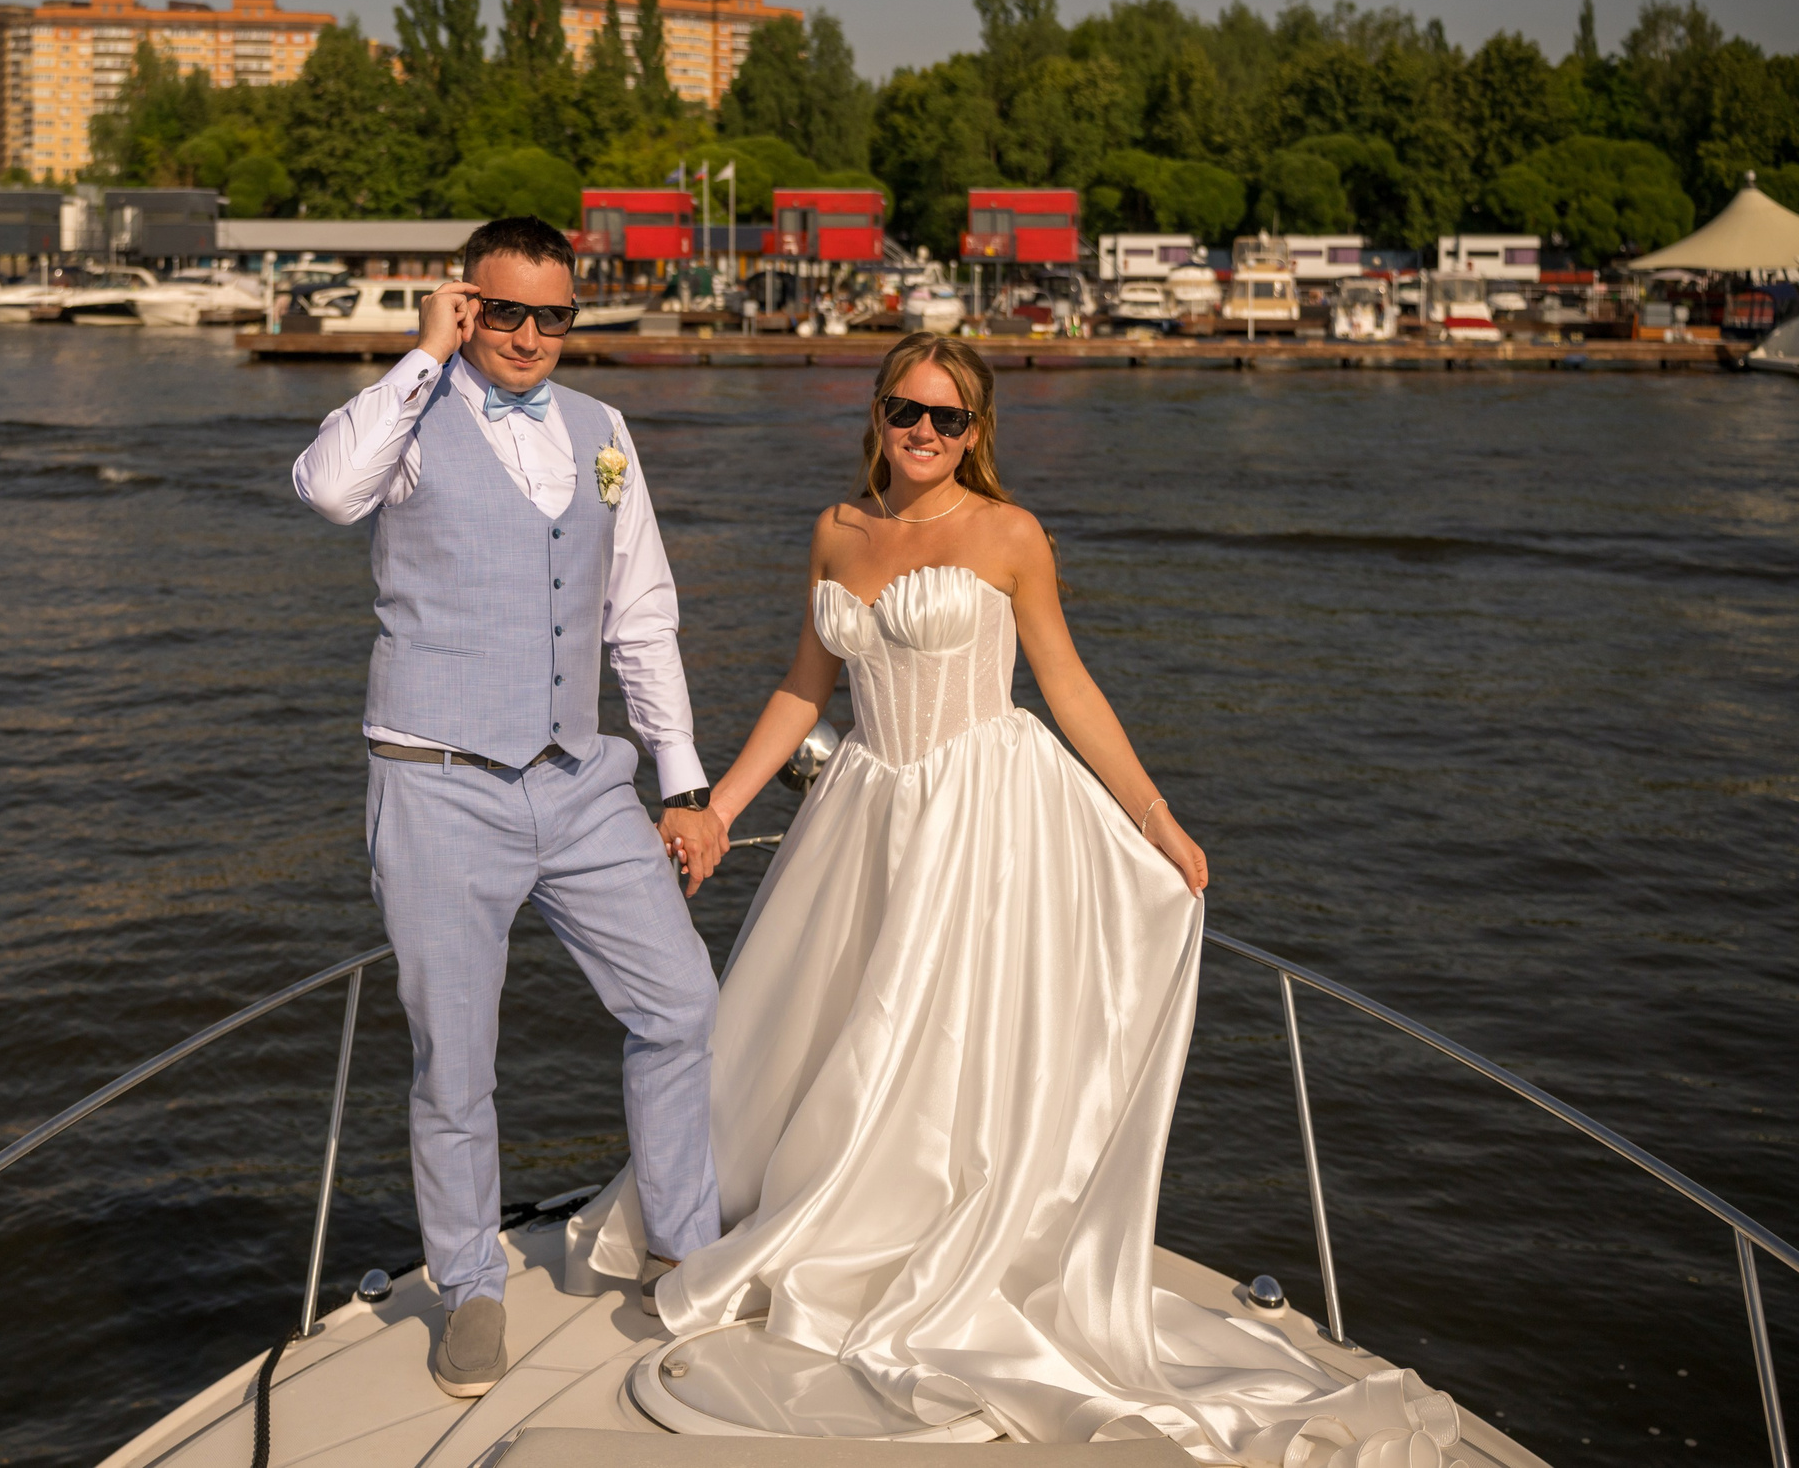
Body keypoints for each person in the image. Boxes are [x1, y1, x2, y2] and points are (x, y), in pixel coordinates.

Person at [570, 332, 1461, 1457]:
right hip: (864, 810)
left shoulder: (1008, 534)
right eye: (906, 412)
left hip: (983, 813)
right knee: (833, 1029)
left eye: (947, 417)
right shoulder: (837, 531)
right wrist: (717, 809)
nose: (925, 434)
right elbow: (806, 687)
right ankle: (826, 1217)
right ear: (878, 416)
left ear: (977, 429)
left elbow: (1066, 679)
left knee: (936, 1041)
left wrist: (1152, 814)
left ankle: (925, 1236)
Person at [293, 216, 730, 1400]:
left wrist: (682, 782)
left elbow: (640, 615)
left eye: (555, 315)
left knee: (681, 1006)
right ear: (466, 304)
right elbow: (326, 490)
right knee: (456, 1064)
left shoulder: (603, 432)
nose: (533, 335)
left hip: (581, 781)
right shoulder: (413, 416)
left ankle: (680, 1245)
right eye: (507, 311)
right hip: (437, 783)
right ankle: (469, 1290)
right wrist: (422, 354)